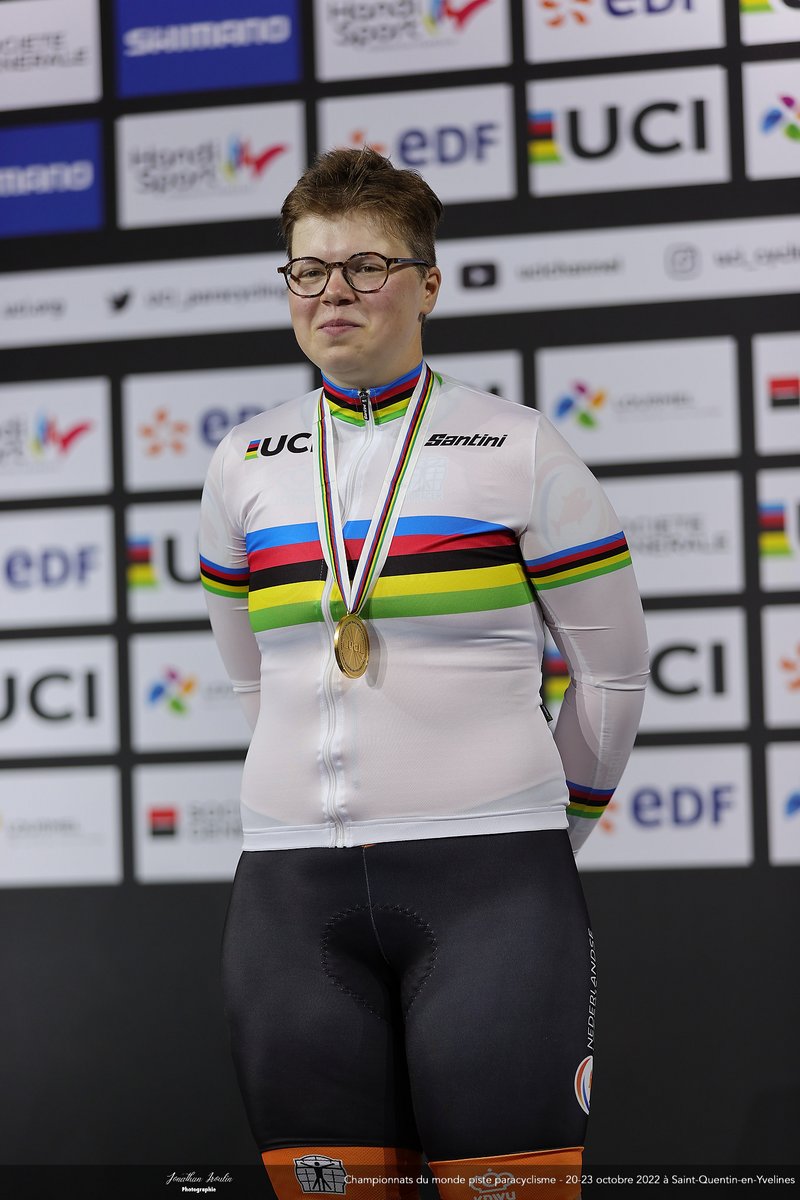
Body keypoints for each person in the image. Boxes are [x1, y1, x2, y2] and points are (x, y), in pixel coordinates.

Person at [199, 148, 648, 1200]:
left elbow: (614, 676)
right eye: (308, 269)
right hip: (288, 891)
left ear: (428, 284)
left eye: (366, 266)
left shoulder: (515, 446)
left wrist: (544, 835)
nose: (334, 292)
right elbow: (257, 685)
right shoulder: (242, 463)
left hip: (490, 886)